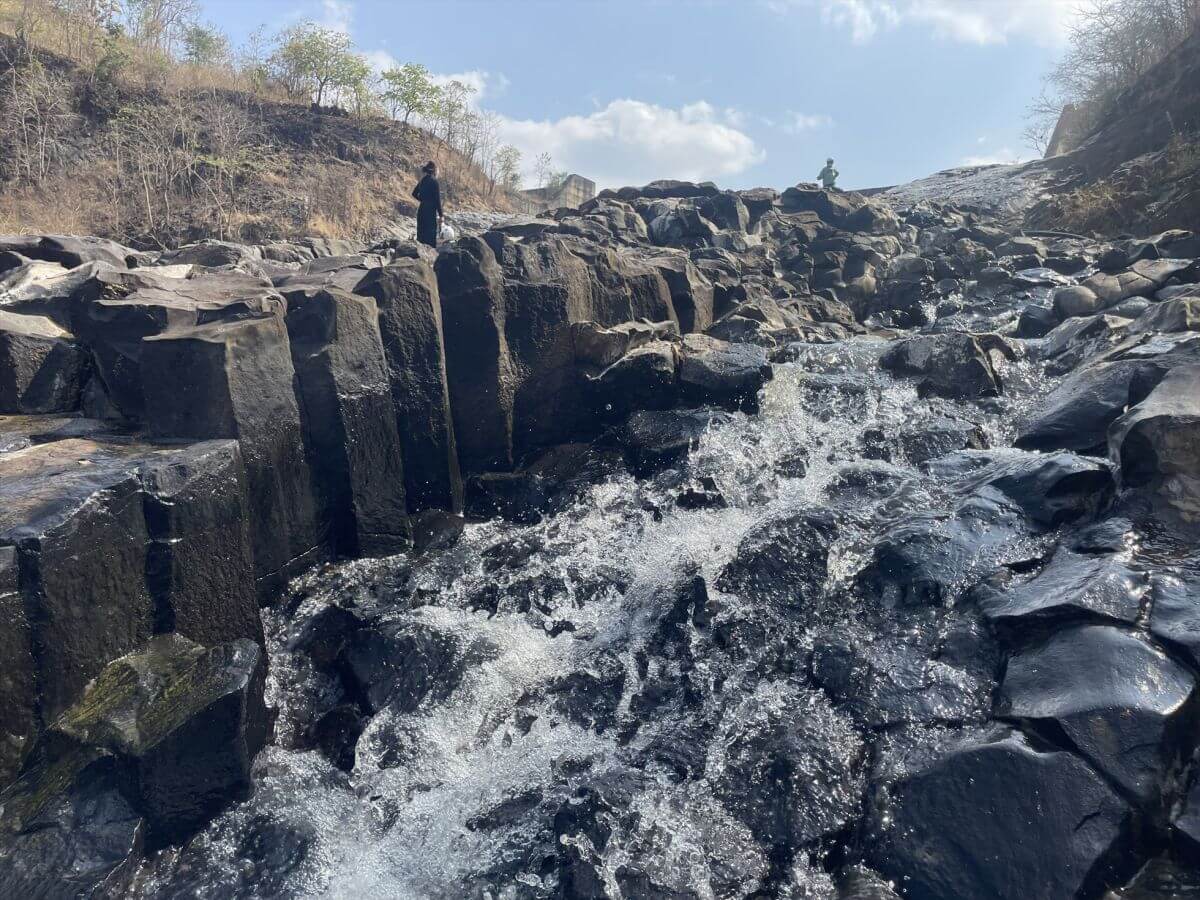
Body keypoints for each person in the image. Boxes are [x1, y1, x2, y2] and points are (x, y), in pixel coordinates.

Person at [412, 161, 443, 248]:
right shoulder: (434, 182)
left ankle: (419, 256)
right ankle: (430, 258)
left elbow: (414, 193)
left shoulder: (422, 181)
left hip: (421, 210)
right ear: (434, 171)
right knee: (430, 237)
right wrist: (441, 215)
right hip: (430, 212)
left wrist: (422, 200)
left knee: (421, 235)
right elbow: (438, 201)